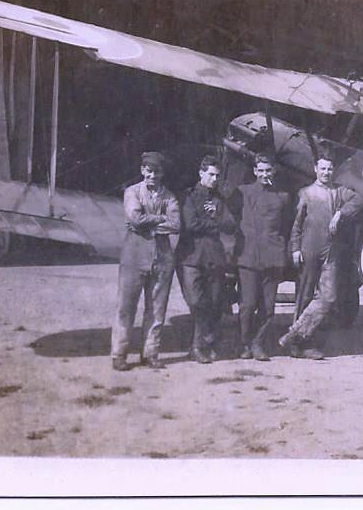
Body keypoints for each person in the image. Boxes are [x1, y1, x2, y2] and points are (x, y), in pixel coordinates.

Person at [279, 154, 363, 359]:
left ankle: (295, 335)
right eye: (323, 168)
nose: (326, 172)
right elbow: (297, 224)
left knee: (329, 296)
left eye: (329, 169)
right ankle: (299, 345)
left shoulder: (339, 191)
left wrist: (341, 213)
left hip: (330, 252)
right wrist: (295, 248)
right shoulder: (306, 193)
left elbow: (359, 200)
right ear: (315, 169)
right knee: (304, 295)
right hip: (309, 250)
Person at [112, 151, 180, 371]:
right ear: (142, 170)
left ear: (162, 173)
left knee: (157, 310)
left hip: (162, 259)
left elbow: (176, 224)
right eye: (149, 171)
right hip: (134, 257)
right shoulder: (132, 192)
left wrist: (146, 222)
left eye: (157, 171)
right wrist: (160, 218)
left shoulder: (169, 196)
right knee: (126, 307)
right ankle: (119, 354)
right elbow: (134, 218)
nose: (153, 175)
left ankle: (150, 353)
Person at [228, 154, 292, 361]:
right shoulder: (242, 193)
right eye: (261, 170)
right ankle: (244, 343)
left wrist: (282, 250)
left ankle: (258, 343)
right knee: (247, 305)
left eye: (268, 170)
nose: (265, 174)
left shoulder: (283, 196)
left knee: (268, 306)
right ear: (255, 171)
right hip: (247, 256)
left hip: (273, 257)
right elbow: (229, 218)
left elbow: (287, 226)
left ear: (274, 171)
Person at [178, 155, 237, 364]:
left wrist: (218, 215)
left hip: (214, 257)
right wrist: (213, 222)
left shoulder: (219, 199)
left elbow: (231, 224)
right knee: (196, 301)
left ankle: (205, 344)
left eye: (217, 176)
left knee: (214, 302)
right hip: (192, 257)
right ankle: (199, 344)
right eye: (210, 174)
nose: (214, 179)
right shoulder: (189, 197)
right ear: (201, 173)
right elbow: (190, 225)